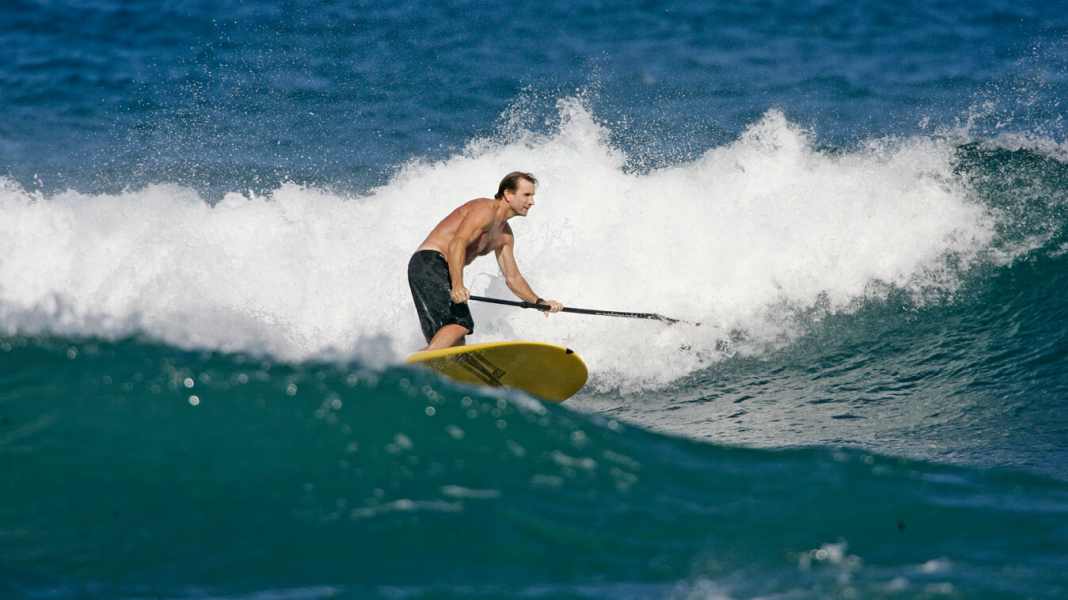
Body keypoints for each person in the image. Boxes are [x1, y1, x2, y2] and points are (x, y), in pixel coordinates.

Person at [408, 171, 563, 350]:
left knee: (454, 344)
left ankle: (415, 368)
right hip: (429, 262)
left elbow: (513, 278)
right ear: (508, 194)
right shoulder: (485, 209)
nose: (532, 201)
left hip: (441, 270)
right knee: (460, 324)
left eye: (532, 196)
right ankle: (418, 364)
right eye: (526, 195)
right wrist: (458, 285)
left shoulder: (505, 236)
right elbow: (457, 243)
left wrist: (540, 303)